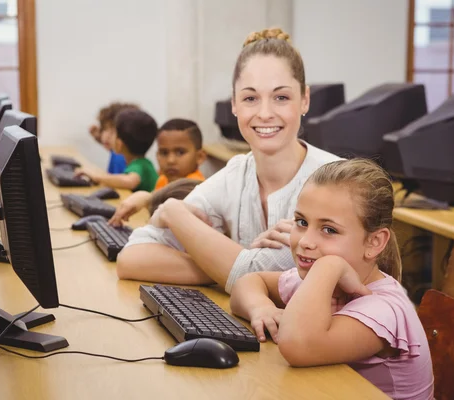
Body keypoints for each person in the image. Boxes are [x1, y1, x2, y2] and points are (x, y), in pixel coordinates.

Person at [116, 28, 340, 292]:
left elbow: (250, 273)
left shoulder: (334, 183)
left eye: (281, 97)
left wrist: (172, 211)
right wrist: (226, 264)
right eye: (250, 98)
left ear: (304, 100)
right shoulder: (235, 174)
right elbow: (131, 258)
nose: (265, 113)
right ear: (234, 104)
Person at [230, 159, 434, 399]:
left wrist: (330, 265)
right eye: (302, 222)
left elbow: (297, 346)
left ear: (374, 242)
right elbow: (249, 282)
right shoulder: (321, 283)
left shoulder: (383, 310)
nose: (305, 240)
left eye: (329, 230)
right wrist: (261, 308)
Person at [108, 119, 206, 226]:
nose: (170, 160)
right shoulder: (163, 179)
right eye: (164, 153)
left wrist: (146, 197)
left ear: (199, 157)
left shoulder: (197, 187)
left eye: (180, 152)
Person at [76, 108, 159, 192]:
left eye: (112, 133)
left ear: (119, 144)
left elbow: (130, 181)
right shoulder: (143, 163)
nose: (108, 137)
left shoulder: (138, 166)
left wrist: (96, 176)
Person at [90, 102, 139, 174]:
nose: (106, 136)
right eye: (105, 129)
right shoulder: (120, 153)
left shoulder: (120, 159)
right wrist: (98, 138)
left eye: (113, 131)